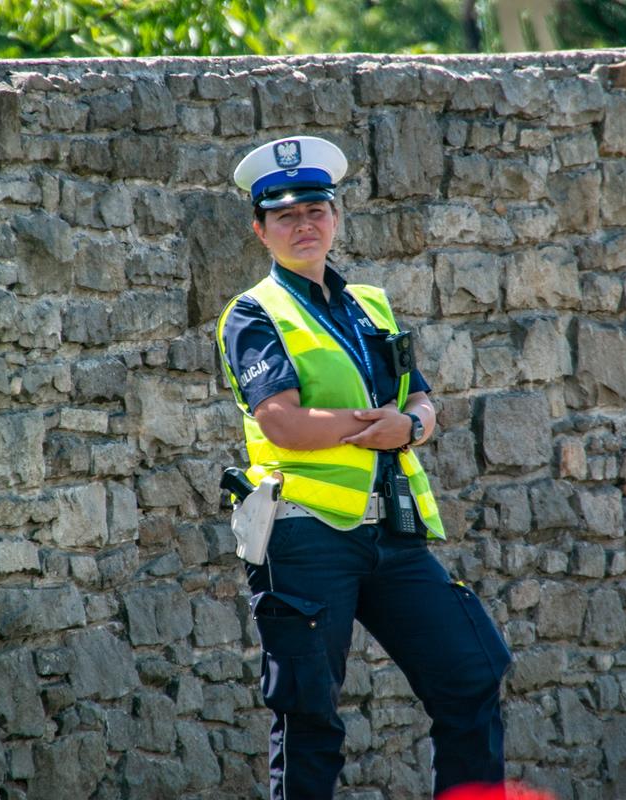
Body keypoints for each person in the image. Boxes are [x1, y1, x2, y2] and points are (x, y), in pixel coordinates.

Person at [215, 135, 513, 799]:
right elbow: (282, 422)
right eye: (285, 216)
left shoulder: (368, 305)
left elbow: (421, 400)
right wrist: (378, 428)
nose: (303, 224)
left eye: (315, 210)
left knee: (472, 671)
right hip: (304, 534)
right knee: (309, 718)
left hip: (392, 535)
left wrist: (413, 425)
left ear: (335, 217)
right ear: (260, 229)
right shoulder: (254, 313)